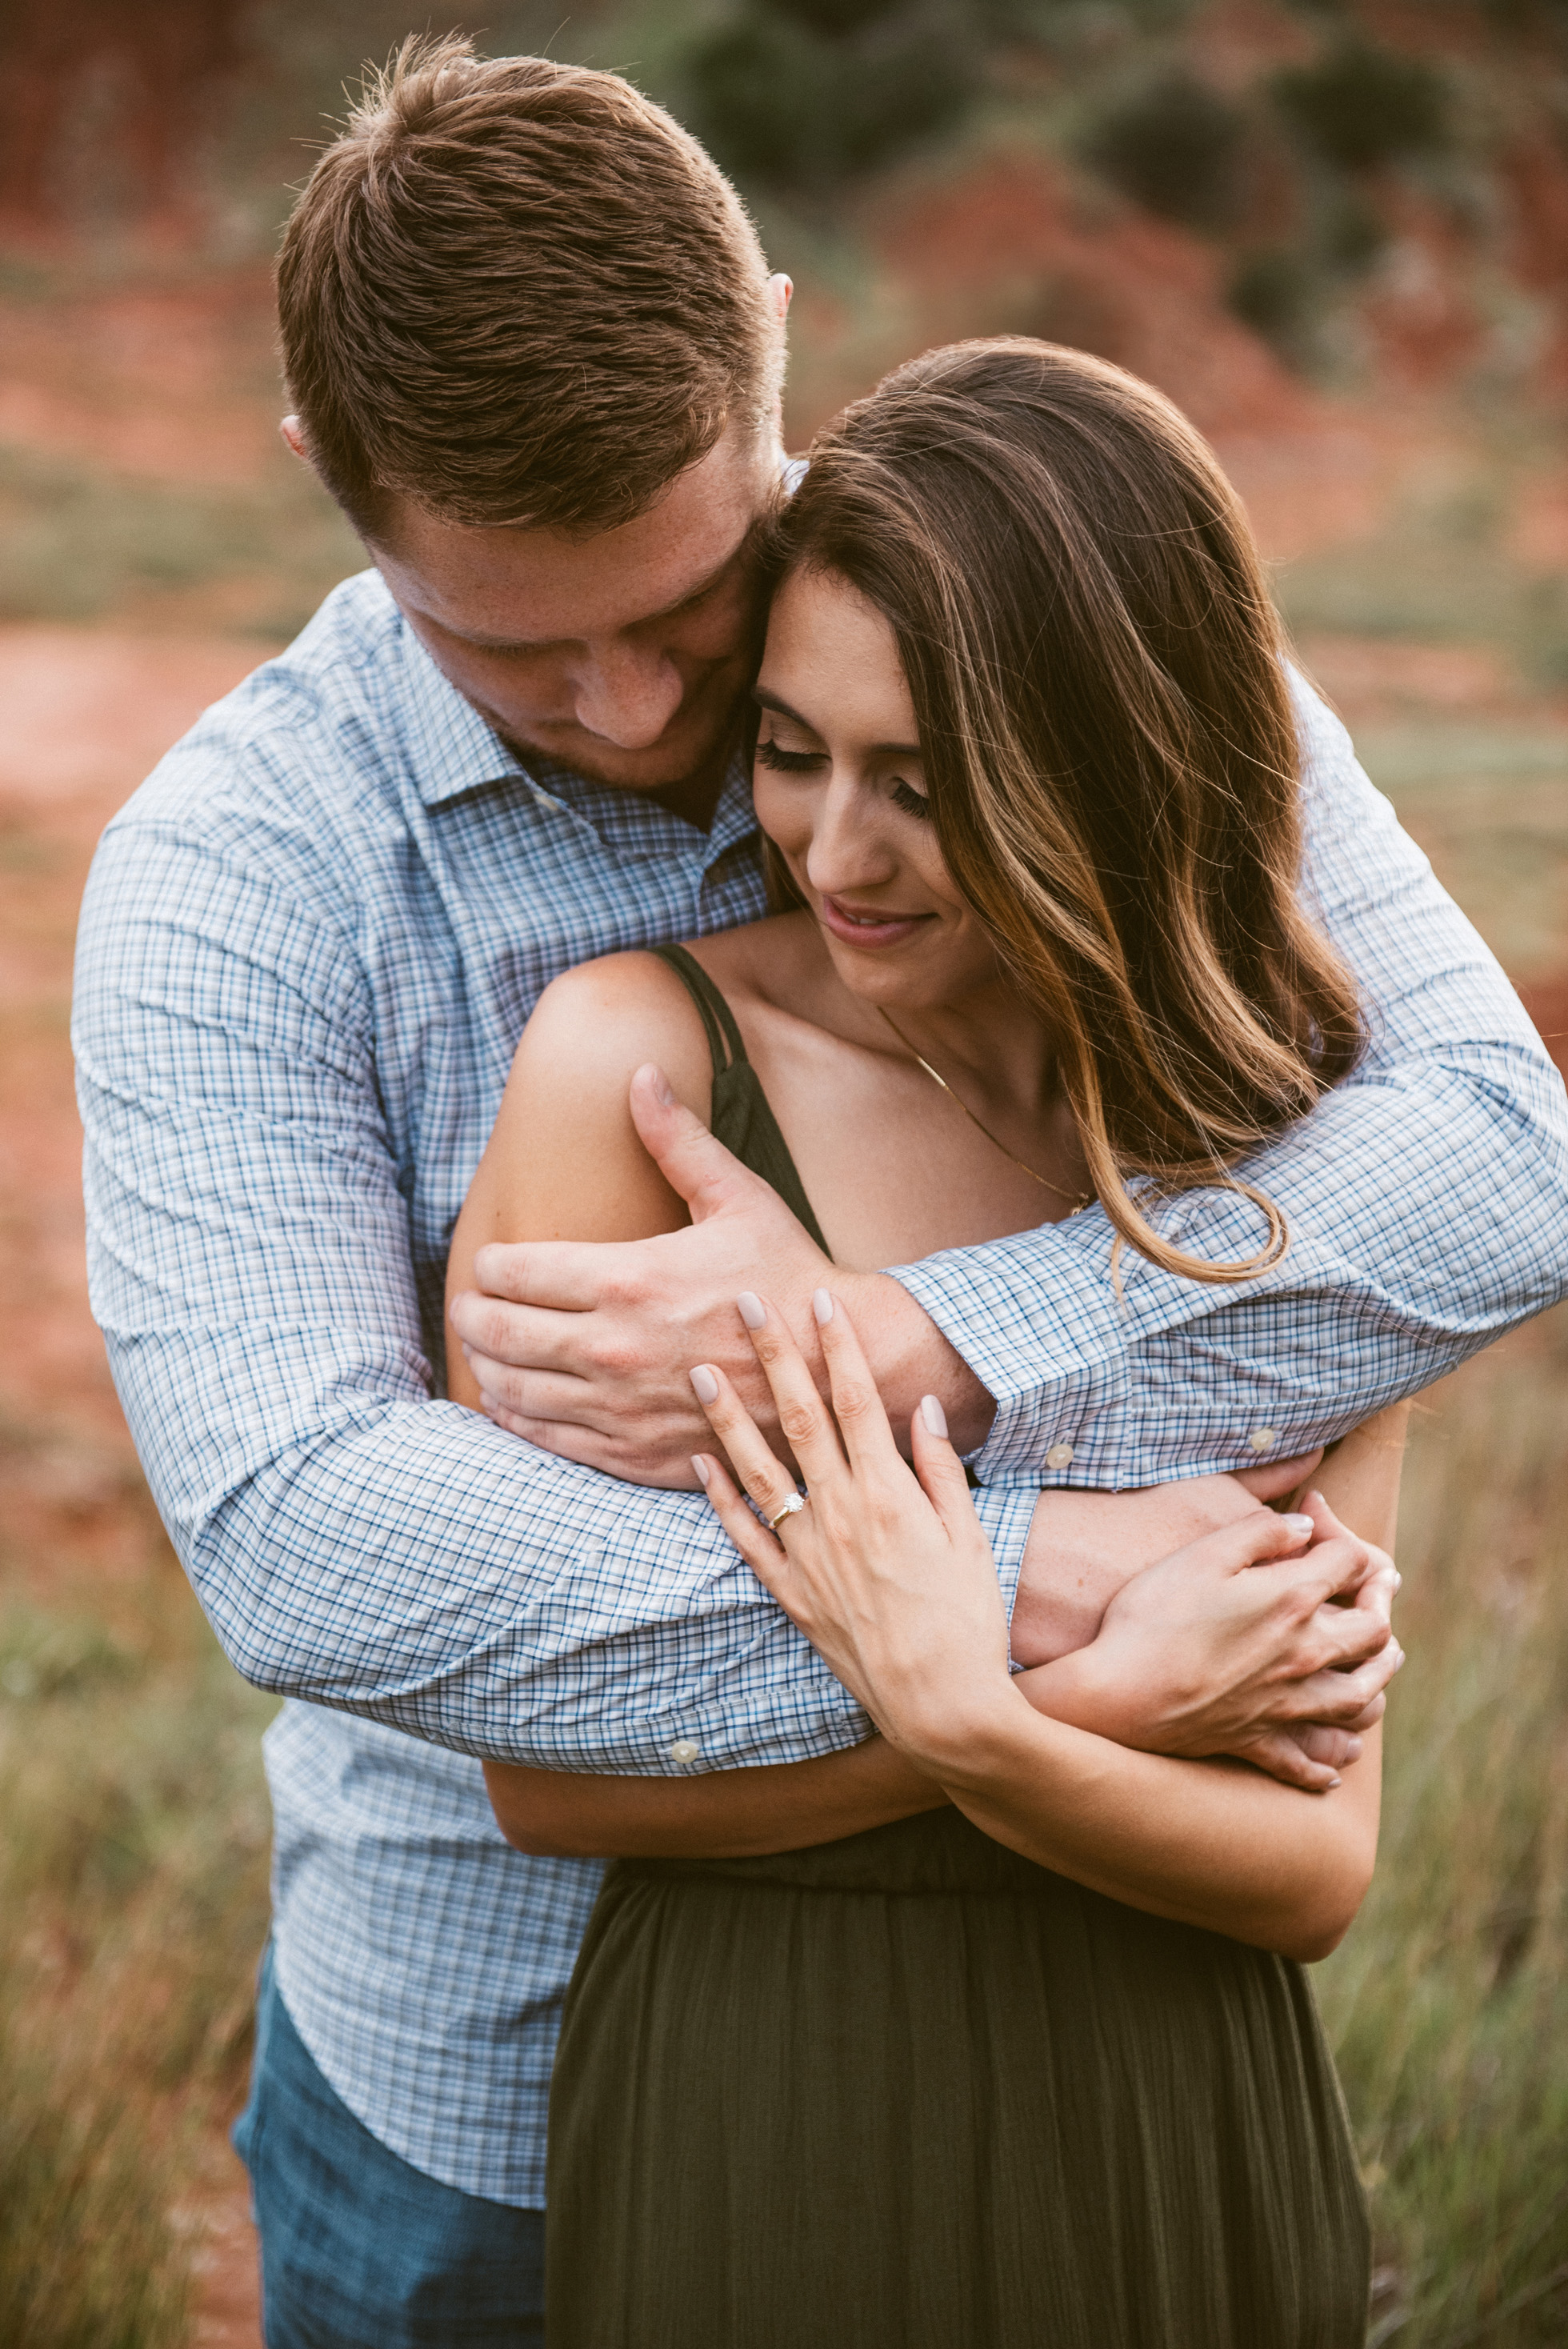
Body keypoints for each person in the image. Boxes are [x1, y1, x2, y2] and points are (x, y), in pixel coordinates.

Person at [69, 37, 1568, 2349]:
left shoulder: (1056, 644)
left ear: (769, 341)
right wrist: (1021, 1580)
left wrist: (932, 1344)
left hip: (1070, 2042)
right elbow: (304, 1524)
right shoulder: (237, 874)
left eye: (689, 610)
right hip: (488, 2083)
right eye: (511, 641)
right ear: (322, 477)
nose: (630, 704)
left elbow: (1490, 1153)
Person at [457, 341, 1406, 2344]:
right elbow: (546, 1782)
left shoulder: (1286, 1133)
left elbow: (1313, 1867)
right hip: (768, 2094)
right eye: (791, 750)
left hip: (1171, 2108)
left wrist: (982, 1720)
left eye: (923, 780)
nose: (834, 851)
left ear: (1106, 764)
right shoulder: (636, 1067)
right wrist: (1074, 1707)